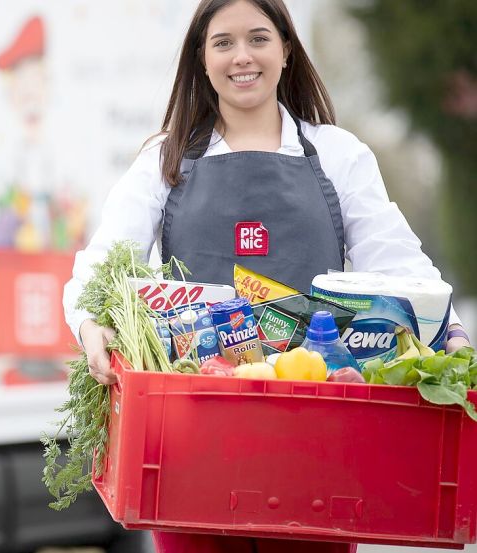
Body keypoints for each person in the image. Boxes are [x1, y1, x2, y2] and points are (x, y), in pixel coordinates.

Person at [62, 0, 472, 551]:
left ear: (285, 49)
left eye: (257, 38)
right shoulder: (167, 160)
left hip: (318, 437)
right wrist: (92, 326)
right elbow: (103, 259)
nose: (241, 57)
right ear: (201, 61)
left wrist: (448, 330)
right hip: (193, 437)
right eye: (223, 43)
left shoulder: (337, 154)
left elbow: (397, 261)